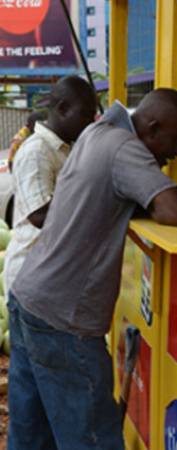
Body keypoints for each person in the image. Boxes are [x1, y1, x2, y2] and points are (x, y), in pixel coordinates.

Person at [7, 88, 177, 449]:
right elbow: (172, 211)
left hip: (28, 300)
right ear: (152, 128)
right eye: (176, 140)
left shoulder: (96, 132)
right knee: (91, 440)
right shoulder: (126, 148)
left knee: (30, 436)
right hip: (64, 323)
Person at [4, 76, 97, 300]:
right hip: (31, 278)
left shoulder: (68, 148)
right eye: (86, 115)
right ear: (62, 109)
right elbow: (39, 215)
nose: (91, 123)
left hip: (51, 276)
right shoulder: (37, 151)